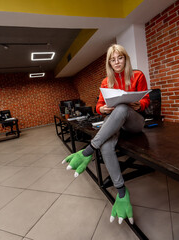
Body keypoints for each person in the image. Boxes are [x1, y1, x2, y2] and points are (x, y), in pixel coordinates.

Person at [62, 44, 150, 225]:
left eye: (120, 58)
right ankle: (121, 191)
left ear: (125, 58)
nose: (117, 62)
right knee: (106, 144)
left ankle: (88, 151)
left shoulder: (137, 75)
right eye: (113, 59)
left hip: (135, 122)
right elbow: (99, 105)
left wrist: (138, 104)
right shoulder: (105, 82)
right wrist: (102, 108)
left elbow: (146, 100)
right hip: (116, 122)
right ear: (109, 63)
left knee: (123, 107)